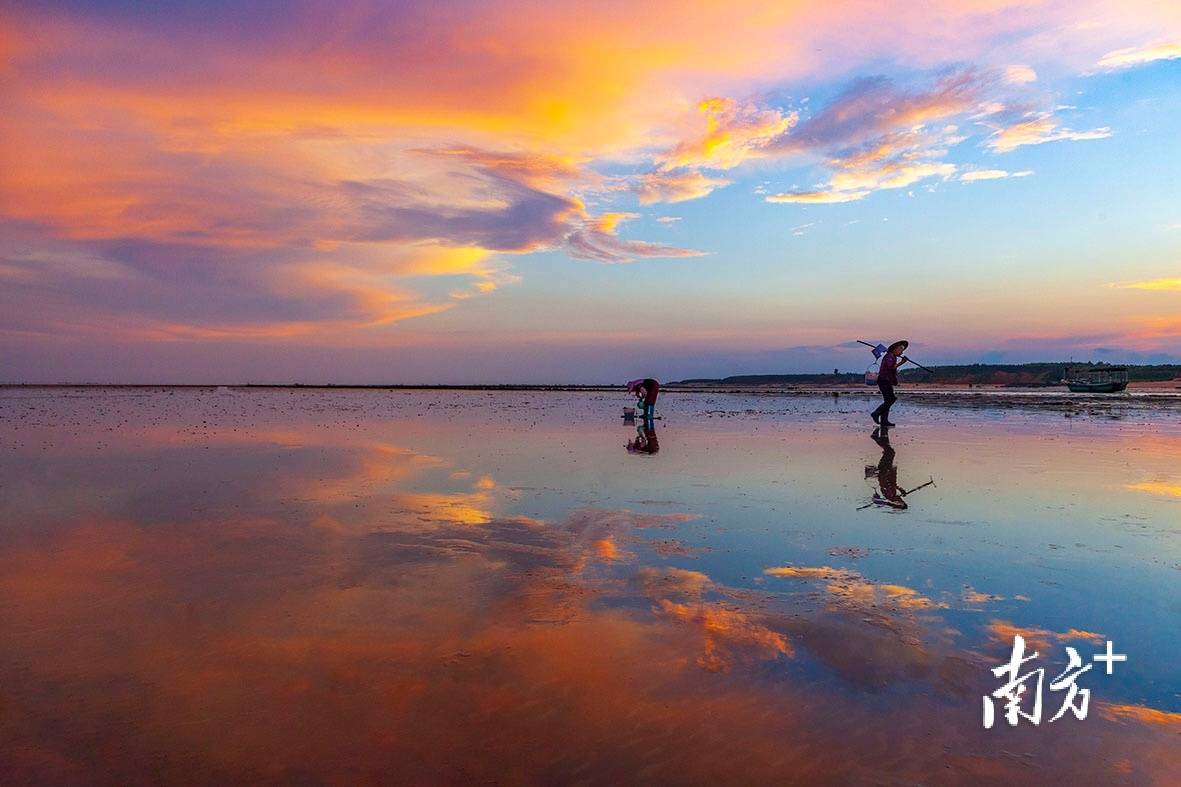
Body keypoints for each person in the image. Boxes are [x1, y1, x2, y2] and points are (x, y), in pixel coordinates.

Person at [871, 340, 910, 426]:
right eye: (901, 349)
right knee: (891, 399)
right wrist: (902, 362)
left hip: (886, 381)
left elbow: (892, 370)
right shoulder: (889, 356)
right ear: (895, 349)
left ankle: (884, 421)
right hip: (884, 380)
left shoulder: (893, 356)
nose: (902, 352)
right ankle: (876, 413)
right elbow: (891, 367)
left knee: (888, 400)